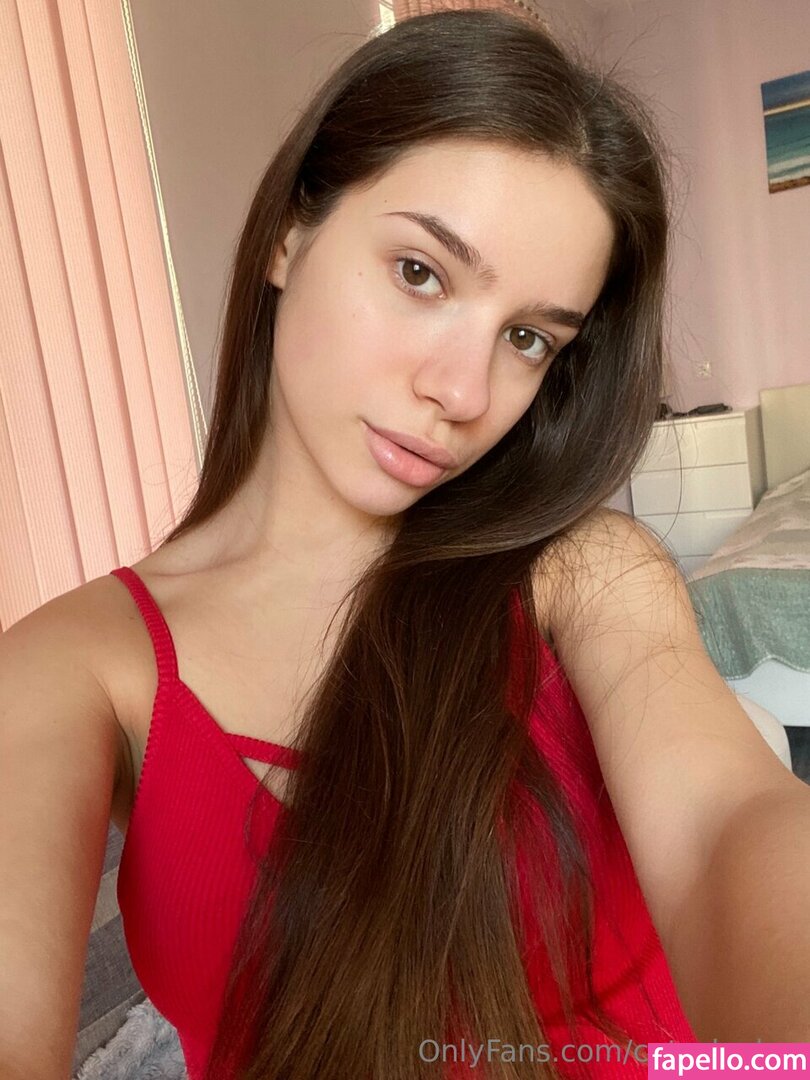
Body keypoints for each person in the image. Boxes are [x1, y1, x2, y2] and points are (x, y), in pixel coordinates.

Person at [2, 8, 809, 1080]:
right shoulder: (75, 666)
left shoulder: (582, 573)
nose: (464, 392)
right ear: (292, 232)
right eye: (422, 273)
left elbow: (723, 828)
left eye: (527, 337)